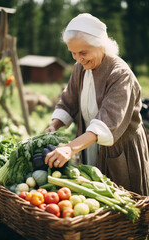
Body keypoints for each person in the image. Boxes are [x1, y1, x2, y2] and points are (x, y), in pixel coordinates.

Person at [44, 13, 149, 196]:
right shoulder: (80, 68)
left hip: (121, 151)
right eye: (73, 53)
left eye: (83, 52)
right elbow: (68, 101)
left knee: (125, 202)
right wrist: (54, 125)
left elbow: (107, 122)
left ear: (101, 45)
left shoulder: (119, 74)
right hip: (89, 143)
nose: (77, 59)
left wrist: (70, 147)